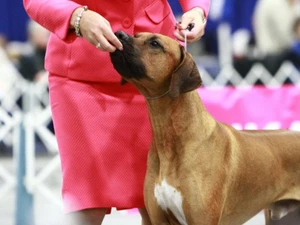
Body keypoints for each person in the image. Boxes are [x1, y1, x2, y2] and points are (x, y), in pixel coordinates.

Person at [23, 1, 210, 225]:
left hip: (153, 71)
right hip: (81, 73)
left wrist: (197, 10)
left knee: (160, 206)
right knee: (86, 203)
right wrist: (77, 17)